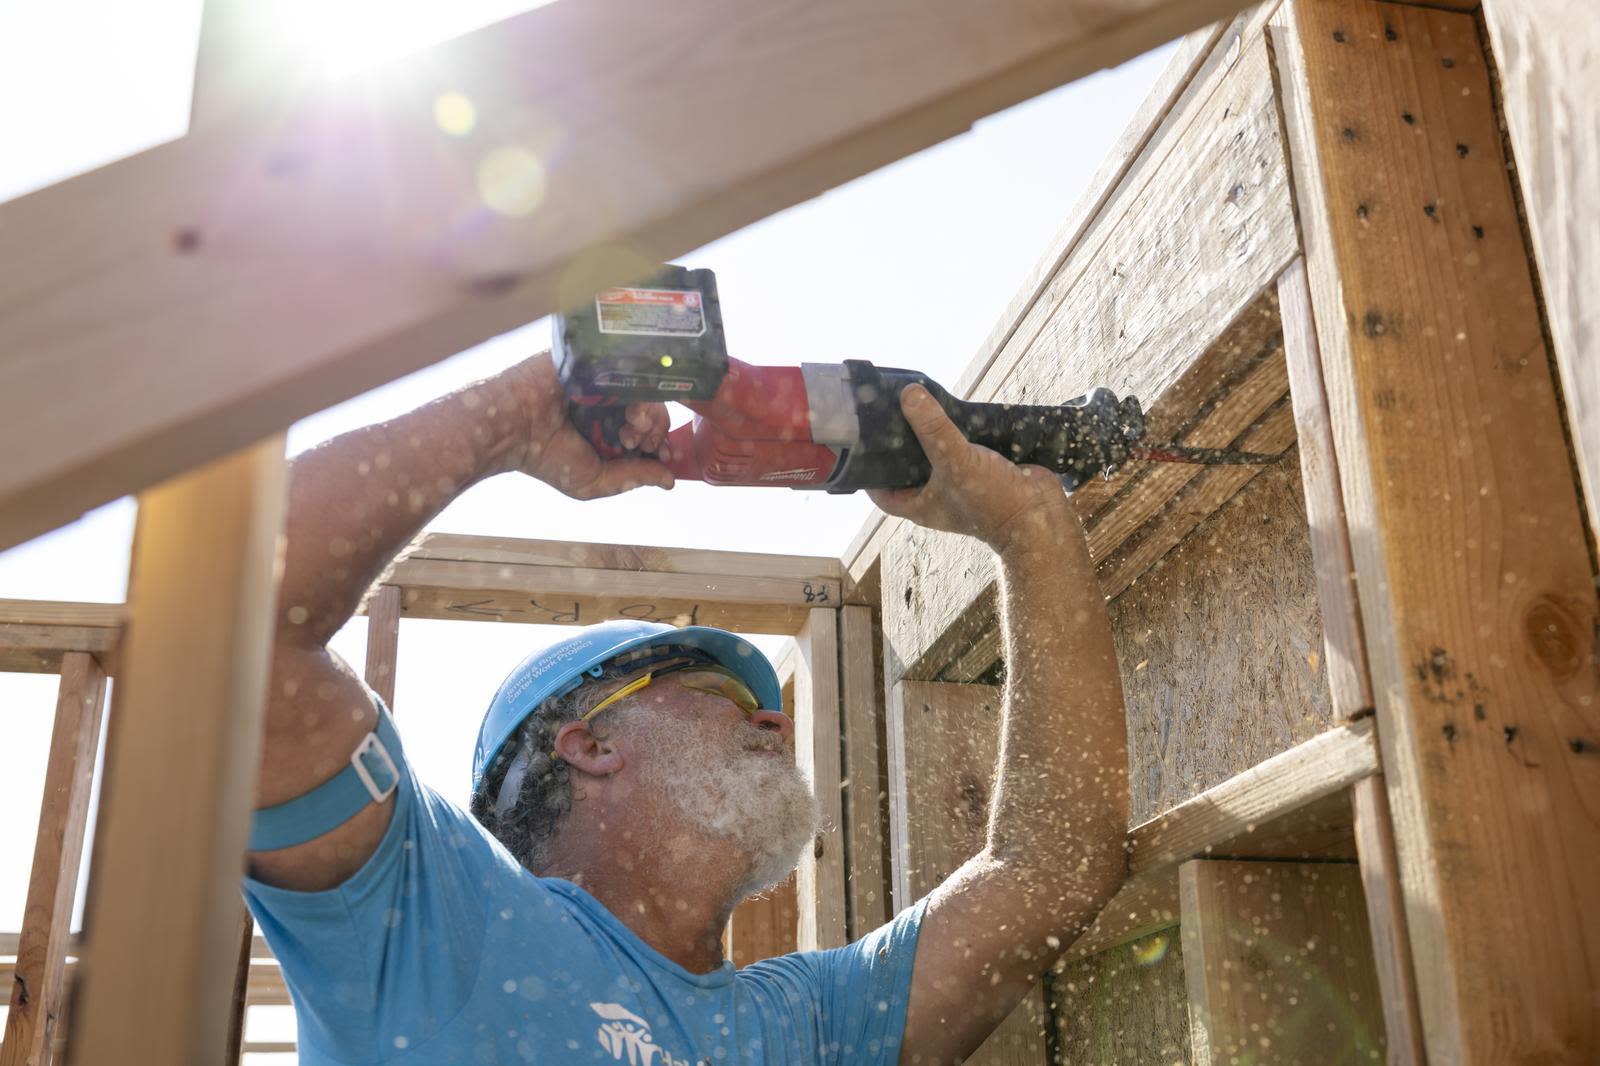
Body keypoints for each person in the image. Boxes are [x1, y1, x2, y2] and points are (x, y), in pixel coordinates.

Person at [246, 351, 1129, 1064]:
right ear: (589, 744)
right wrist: (517, 413)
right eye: (716, 694)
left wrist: (1031, 533)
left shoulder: (807, 1027)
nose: (779, 722)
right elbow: (239, 631)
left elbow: (1047, 872)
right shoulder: (436, 925)